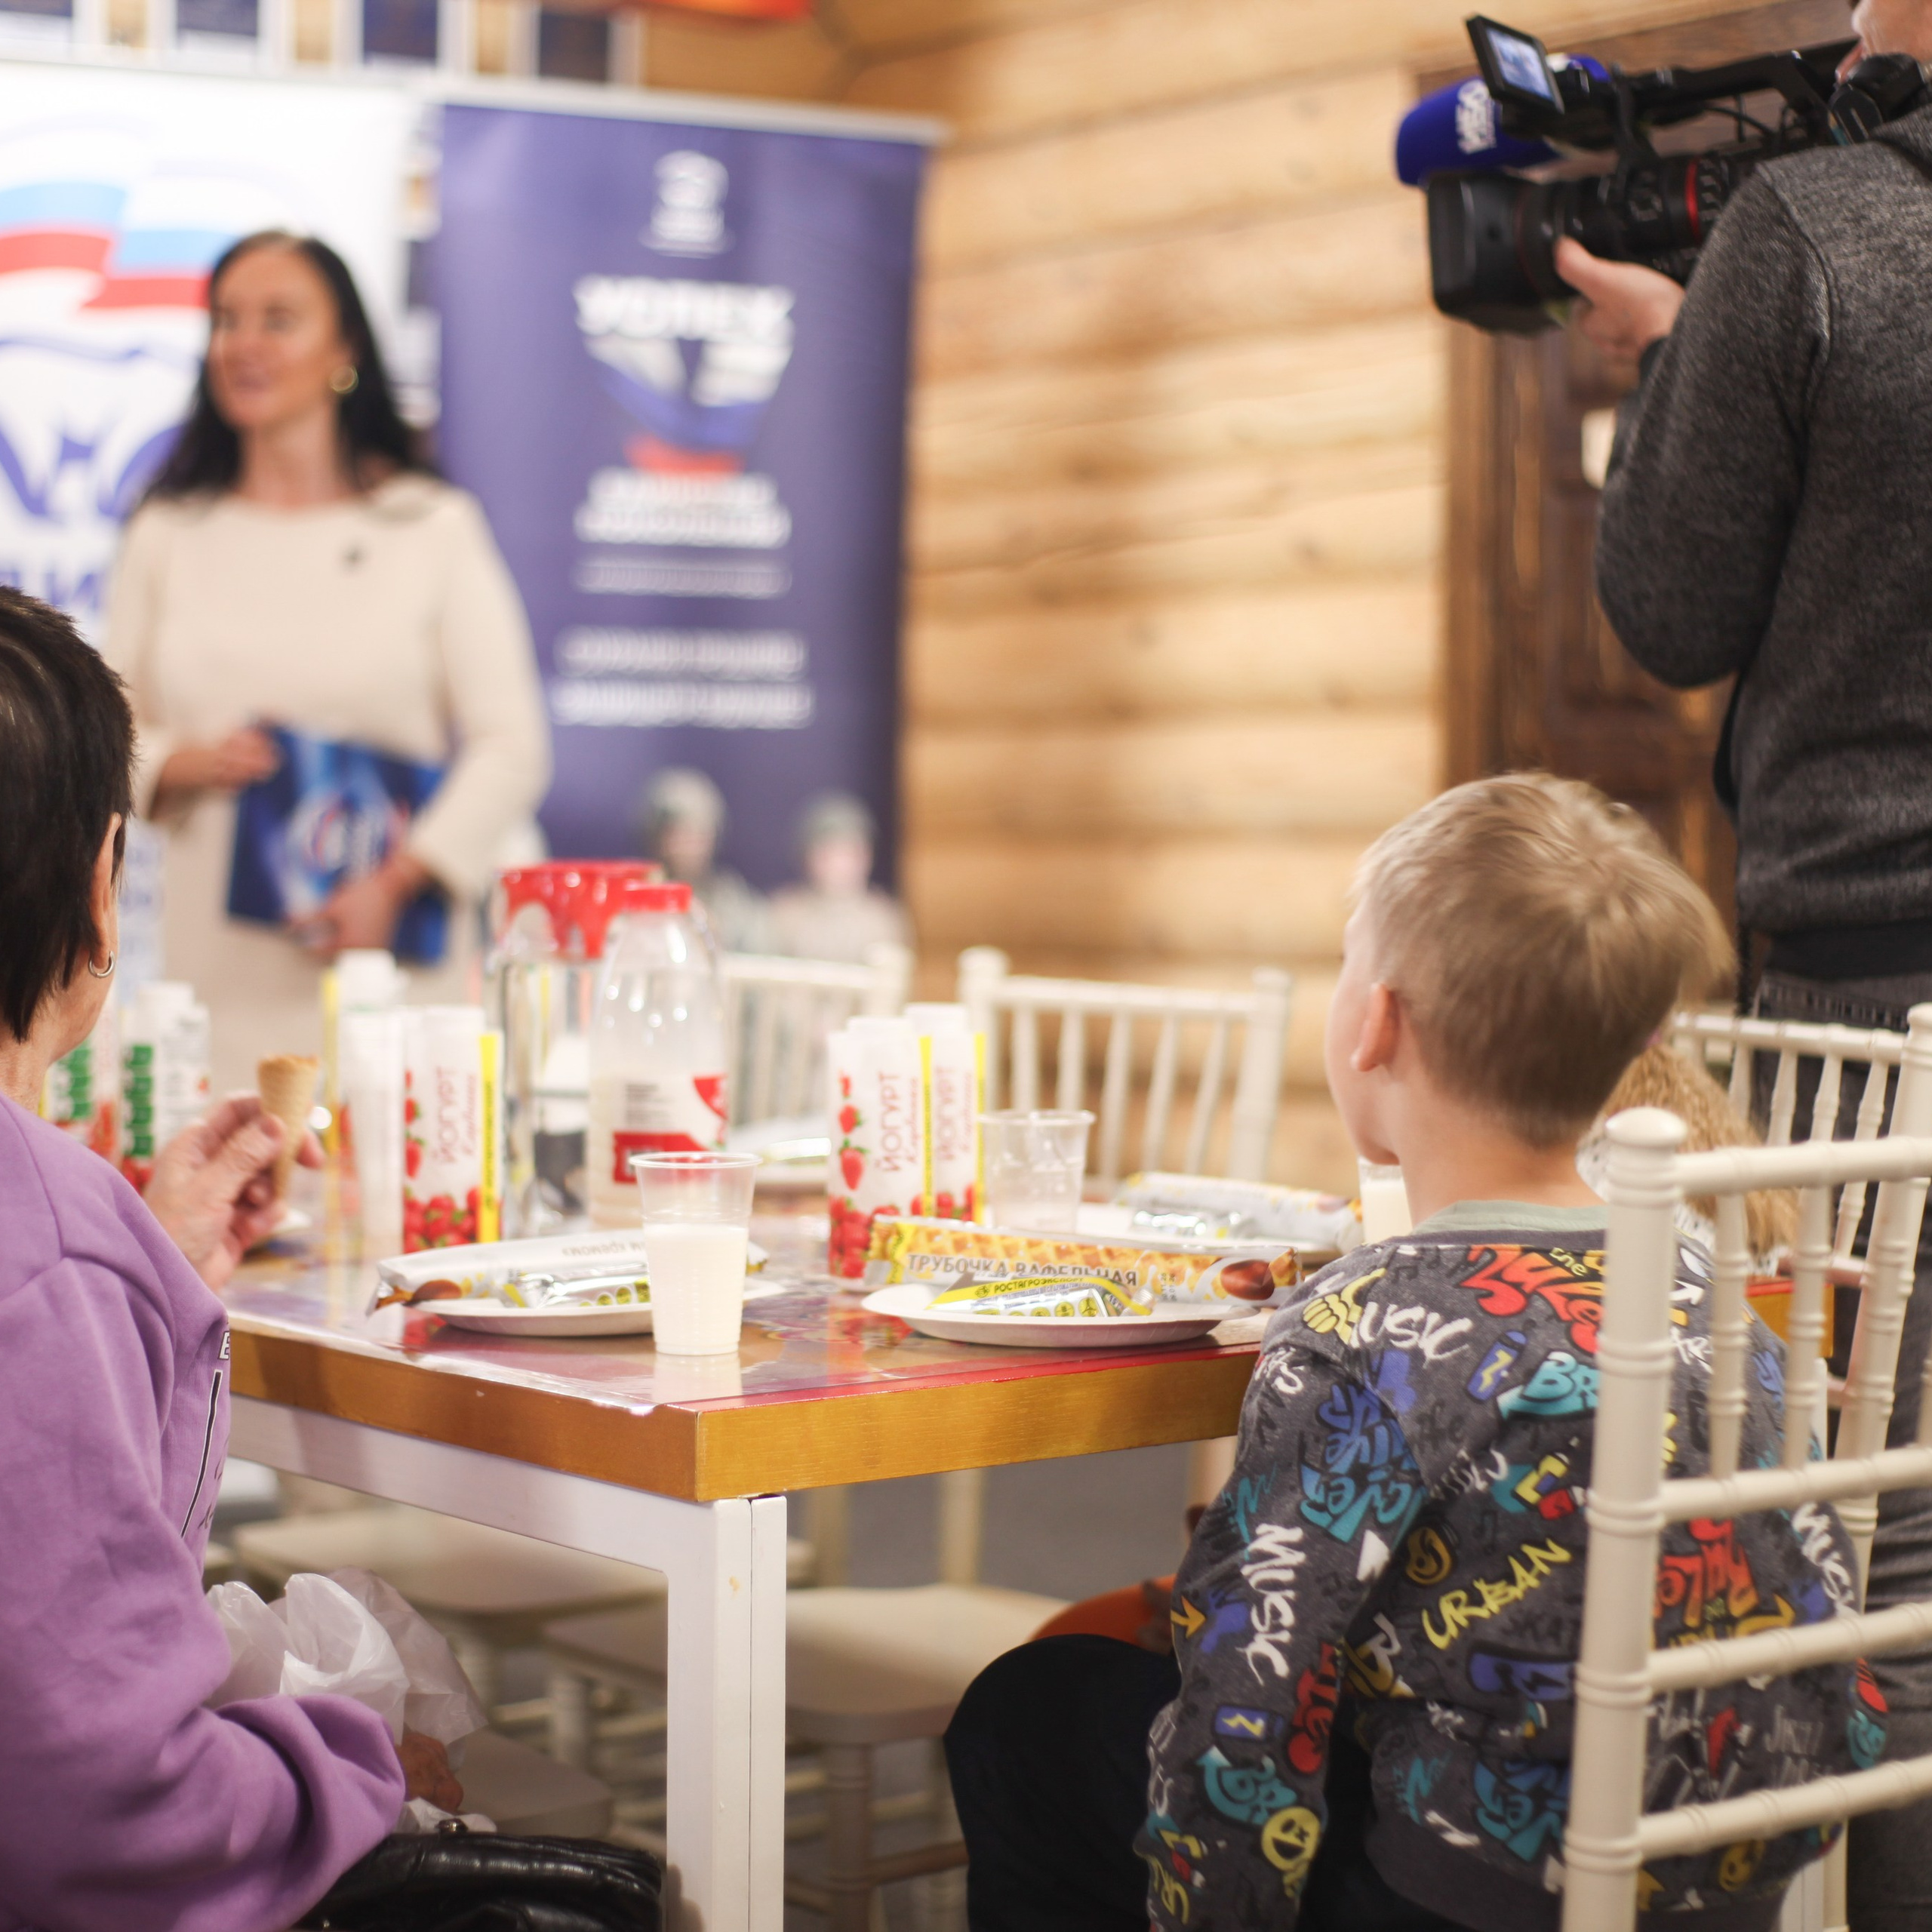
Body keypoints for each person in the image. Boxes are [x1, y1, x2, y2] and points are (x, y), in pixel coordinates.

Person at [946, 774, 1872, 1932]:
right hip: (1723, 1881)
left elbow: (1248, 1709)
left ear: (1374, 1023)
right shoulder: (1711, 1294)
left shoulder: (1361, 1326)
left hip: (1467, 1897)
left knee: (1028, 1709)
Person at [1559, 9, 1932, 1922]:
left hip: (1875, 1005)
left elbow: (1668, 603)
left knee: (1873, 1571)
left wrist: (1673, 355)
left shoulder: (1815, 231)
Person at [0, 588, 463, 1931]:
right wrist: (360, 1771)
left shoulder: (65, 1248)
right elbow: (109, 1815)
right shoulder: (44, 1245)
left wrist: (145, 1258)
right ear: (100, 878)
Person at [106, 230, 551, 1093]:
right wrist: (183, 762)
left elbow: (512, 747)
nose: (244, 344)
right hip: (213, 999)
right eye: (227, 320)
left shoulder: (431, 526)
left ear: (344, 349)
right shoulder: (166, 531)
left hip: (388, 992)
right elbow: (102, 736)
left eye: (278, 320)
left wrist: (401, 880)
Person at [767, 792, 911, 966]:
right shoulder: (784, 916)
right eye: (828, 854)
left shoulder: (883, 919)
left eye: (850, 853)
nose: (839, 864)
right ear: (807, 858)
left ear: (867, 857)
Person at [635, 766, 767, 952]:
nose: (685, 846)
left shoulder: (736, 904)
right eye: (674, 834)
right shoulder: (636, 902)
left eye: (696, 834)